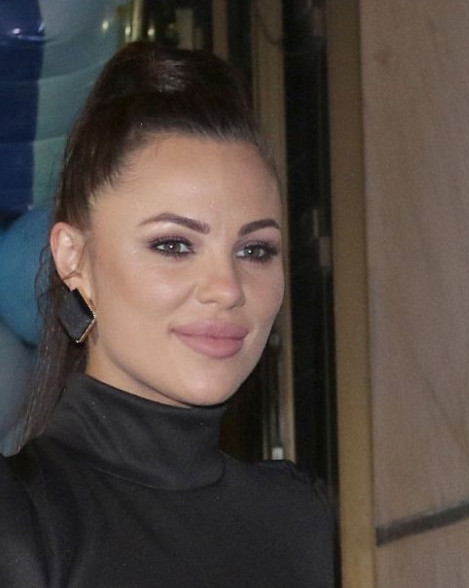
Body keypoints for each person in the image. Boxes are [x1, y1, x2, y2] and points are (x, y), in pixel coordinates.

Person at [0, 42, 334, 587]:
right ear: (73, 260)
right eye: (174, 245)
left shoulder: (297, 522)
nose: (226, 288)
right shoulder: (20, 523)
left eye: (255, 250)